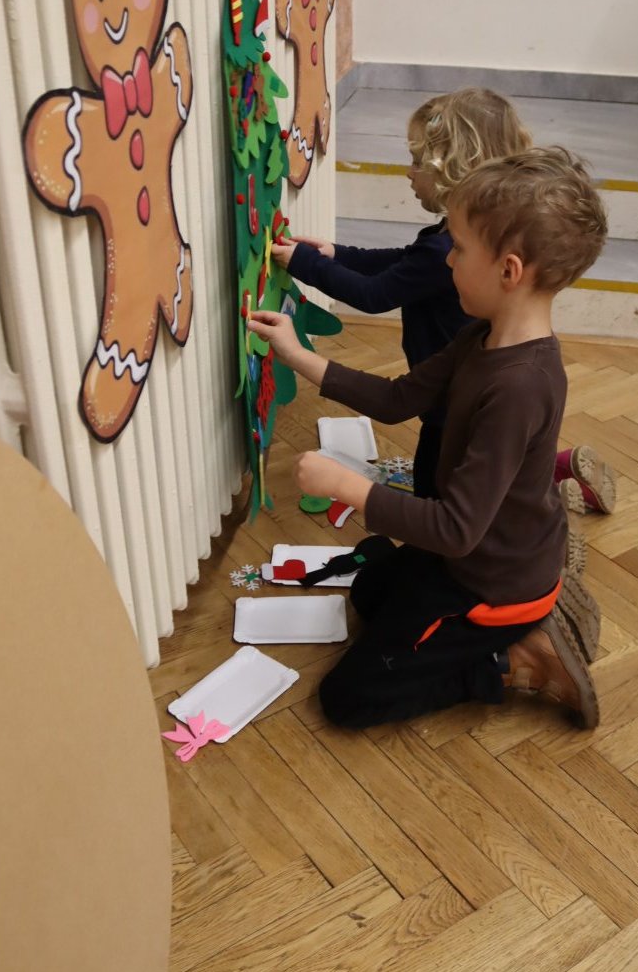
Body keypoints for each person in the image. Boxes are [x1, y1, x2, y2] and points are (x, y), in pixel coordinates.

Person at [249, 147, 607, 730]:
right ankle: (523, 613)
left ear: (509, 271)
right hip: (477, 551)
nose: (448, 262)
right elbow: (399, 400)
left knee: (348, 700)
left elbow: (456, 529)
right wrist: (298, 355)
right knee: (369, 591)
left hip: (490, 577)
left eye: (458, 249)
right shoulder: (481, 335)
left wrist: (348, 486)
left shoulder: (520, 386)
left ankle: (515, 661)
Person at [272, 88, 617, 518]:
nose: (408, 172)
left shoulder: (512, 373)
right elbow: (402, 267)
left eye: (417, 160)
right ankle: (545, 486)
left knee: (444, 493)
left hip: (449, 414)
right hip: (448, 398)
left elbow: (376, 294)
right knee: (490, 467)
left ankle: (544, 506)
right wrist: (336, 256)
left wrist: (306, 263)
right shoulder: (472, 305)